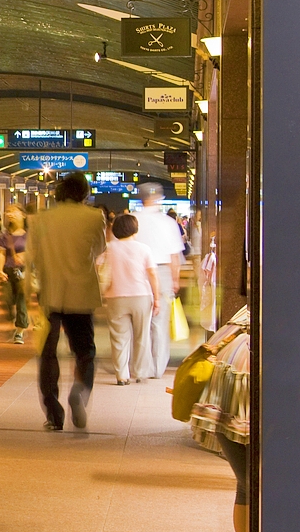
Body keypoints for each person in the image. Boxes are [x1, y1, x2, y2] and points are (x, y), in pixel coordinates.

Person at [25, 171, 106, 432]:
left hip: (50, 294)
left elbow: (31, 257)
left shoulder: (42, 220)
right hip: (81, 293)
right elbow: (100, 249)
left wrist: (27, 295)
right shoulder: (94, 217)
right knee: (85, 351)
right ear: (84, 192)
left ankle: (53, 414)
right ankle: (79, 393)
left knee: (48, 354)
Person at [131, 183, 185, 381]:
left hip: (137, 272)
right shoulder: (168, 223)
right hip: (161, 272)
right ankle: (157, 368)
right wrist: (175, 280)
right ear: (159, 198)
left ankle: (139, 367)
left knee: (139, 322)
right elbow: (174, 256)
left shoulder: (133, 219)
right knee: (159, 323)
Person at [100, 211, 159, 385]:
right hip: (141, 296)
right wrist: (157, 299)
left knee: (119, 337)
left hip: (116, 297)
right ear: (135, 229)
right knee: (142, 336)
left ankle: (122, 375)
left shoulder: (109, 248)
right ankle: (140, 372)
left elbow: (100, 270)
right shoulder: (144, 248)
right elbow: (153, 274)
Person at [0, 207, 30, 345]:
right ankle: (13, 320)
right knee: (8, 301)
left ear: (23, 215)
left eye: (14, 211)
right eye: (8, 212)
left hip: (24, 271)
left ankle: (20, 331)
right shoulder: (5, 236)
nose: (10, 214)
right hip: (8, 272)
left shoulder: (29, 236)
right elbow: (1, 254)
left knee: (22, 302)